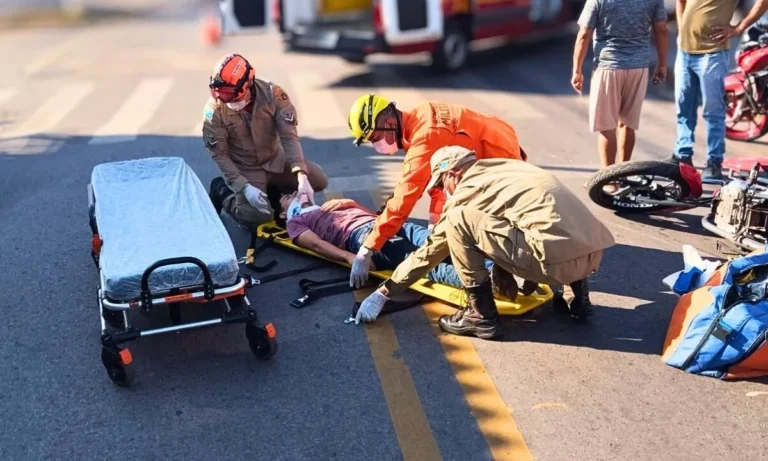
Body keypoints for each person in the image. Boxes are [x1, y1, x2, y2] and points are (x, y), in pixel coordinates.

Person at [355, 146, 616, 339]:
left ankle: (480, 316)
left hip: (555, 266)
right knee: (542, 220)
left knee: (458, 221)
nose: (442, 191)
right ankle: (579, 299)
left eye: (441, 184)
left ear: (453, 174)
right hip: (593, 256)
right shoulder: (508, 169)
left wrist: (384, 292)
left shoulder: (467, 191)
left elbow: (430, 252)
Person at [345, 94, 529, 289]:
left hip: (497, 159)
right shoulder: (421, 116)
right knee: (460, 222)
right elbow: (438, 177)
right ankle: (514, 266)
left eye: (375, 138)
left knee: (477, 223)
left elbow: (404, 198)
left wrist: (367, 248)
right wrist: (435, 218)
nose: (376, 145)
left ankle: (500, 282)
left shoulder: (424, 138)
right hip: (499, 140)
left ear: (389, 122)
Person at [264, 186, 523, 295]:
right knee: (424, 264)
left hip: (384, 226)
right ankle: (485, 283)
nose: (294, 195)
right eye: (287, 198)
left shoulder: (326, 206)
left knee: (442, 242)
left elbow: (369, 216)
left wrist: (351, 203)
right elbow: (316, 245)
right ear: (284, 213)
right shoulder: (296, 223)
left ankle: (500, 268)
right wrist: (350, 258)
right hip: (364, 239)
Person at [202, 53, 329, 229]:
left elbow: (289, 137)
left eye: (231, 94)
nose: (226, 100)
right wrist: (244, 186)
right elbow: (220, 155)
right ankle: (223, 191)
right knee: (257, 219)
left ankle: (273, 190)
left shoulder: (273, 95)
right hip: (246, 170)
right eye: (221, 94)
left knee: (318, 181)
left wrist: (301, 175)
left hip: (275, 160)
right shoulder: (214, 111)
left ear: (248, 82)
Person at [672, 0, 768, 179]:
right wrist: (681, 30)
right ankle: (682, 156)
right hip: (684, 52)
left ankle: (714, 161)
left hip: (712, 53)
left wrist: (739, 28)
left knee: (713, 111)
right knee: (683, 106)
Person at [572, 0, 669, 170]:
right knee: (627, 124)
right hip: (638, 68)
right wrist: (662, 64)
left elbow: (584, 35)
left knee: (607, 127)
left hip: (608, 67)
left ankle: (609, 180)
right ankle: (623, 174)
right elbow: (661, 29)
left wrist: (577, 70)